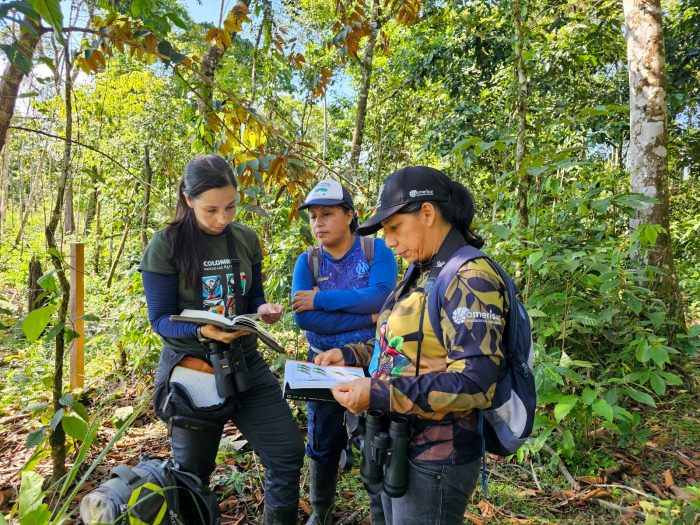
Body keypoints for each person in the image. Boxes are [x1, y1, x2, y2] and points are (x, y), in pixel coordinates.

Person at [314, 166, 508, 525]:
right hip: (395, 443)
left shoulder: (469, 278)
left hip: (435, 456)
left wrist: (379, 393)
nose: (388, 241)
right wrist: (352, 354)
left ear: (428, 214)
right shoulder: (422, 270)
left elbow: (477, 384)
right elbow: (404, 347)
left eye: (394, 227)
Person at [139, 154, 304, 524]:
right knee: (191, 476)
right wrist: (200, 329)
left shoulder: (245, 239)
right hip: (194, 369)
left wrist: (264, 311)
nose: (223, 219)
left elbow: (254, 299)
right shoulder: (166, 245)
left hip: (245, 361)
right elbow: (160, 319)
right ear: (187, 199)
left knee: (287, 453)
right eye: (211, 209)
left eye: (230, 207)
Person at [291, 180, 398, 525]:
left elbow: (383, 298)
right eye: (313, 217)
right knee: (322, 437)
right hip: (323, 362)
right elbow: (305, 319)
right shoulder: (307, 262)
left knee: (376, 436)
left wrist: (321, 299)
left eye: (327, 215)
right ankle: (320, 511)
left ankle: (380, 514)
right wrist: (364, 312)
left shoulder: (374, 250)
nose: (318, 223)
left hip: (372, 361)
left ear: (349, 215)